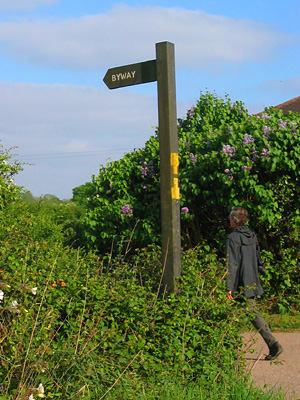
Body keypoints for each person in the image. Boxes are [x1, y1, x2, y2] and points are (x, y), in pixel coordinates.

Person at [225, 206, 283, 360]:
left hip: (238, 283)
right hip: (250, 281)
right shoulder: (251, 235)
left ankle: (229, 350)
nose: (229, 220)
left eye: (231, 218)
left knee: (227, 314)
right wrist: (261, 271)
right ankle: (272, 345)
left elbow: (232, 264)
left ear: (234, 220)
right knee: (252, 313)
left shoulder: (233, 238)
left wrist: (228, 287)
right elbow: (258, 258)